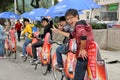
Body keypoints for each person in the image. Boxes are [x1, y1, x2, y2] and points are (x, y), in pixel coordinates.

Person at [51, 9, 94, 80]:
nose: (69, 21)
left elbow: (83, 36)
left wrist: (82, 49)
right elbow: (71, 35)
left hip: (83, 57)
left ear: (76, 17)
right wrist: (58, 31)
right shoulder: (82, 25)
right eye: (67, 19)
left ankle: (60, 65)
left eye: (71, 18)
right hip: (90, 53)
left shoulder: (78, 25)